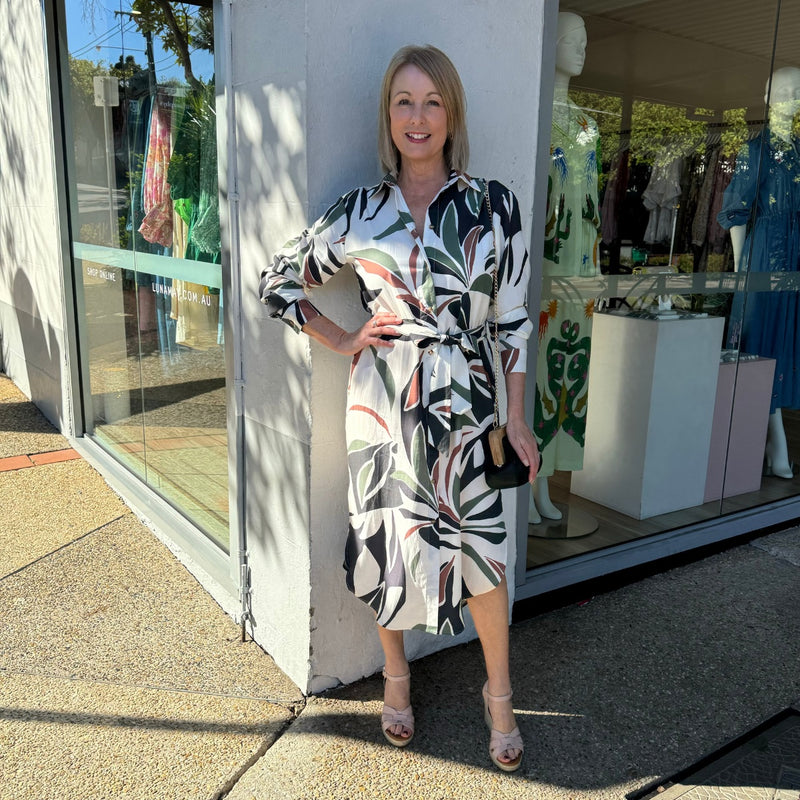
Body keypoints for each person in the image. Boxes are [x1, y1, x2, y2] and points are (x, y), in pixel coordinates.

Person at [259, 44, 538, 771]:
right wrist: (342, 335)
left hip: (472, 406)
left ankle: (499, 694)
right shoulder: (360, 212)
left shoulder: (491, 205)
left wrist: (515, 416)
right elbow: (277, 280)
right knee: (389, 546)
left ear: (452, 115)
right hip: (385, 404)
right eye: (404, 102)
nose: (418, 118)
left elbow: (511, 322)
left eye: (432, 102)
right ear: (388, 116)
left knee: (483, 553)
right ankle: (396, 676)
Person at [531, 12, 601, 522]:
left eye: (584, 41)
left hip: (579, 273)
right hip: (546, 274)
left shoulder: (586, 126)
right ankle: (527, 488)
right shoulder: (535, 116)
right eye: (571, 39)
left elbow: (592, 203)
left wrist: (593, 267)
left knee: (569, 384)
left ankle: (547, 486)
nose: (581, 49)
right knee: (537, 378)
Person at [718, 66, 800, 479]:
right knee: (761, 345)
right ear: (767, 95)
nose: (792, 98)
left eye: (798, 92)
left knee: (784, 346)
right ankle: (777, 445)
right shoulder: (757, 150)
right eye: (784, 90)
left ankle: (771, 444)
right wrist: (739, 271)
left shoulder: (799, 150)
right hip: (765, 253)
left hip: (795, 257)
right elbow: (735, 211)